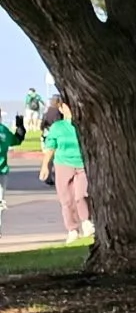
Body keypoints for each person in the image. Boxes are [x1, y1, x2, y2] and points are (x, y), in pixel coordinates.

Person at [38, 93, 91, 243]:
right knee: (66, 199)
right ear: (61, 108)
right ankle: (72, 229)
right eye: (65, 105)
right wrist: (45, 166)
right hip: (63, 164)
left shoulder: (83, 125)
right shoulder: (57, 127)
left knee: (81, 195)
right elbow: (50, 147)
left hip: (81, 164)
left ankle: (87, 221)